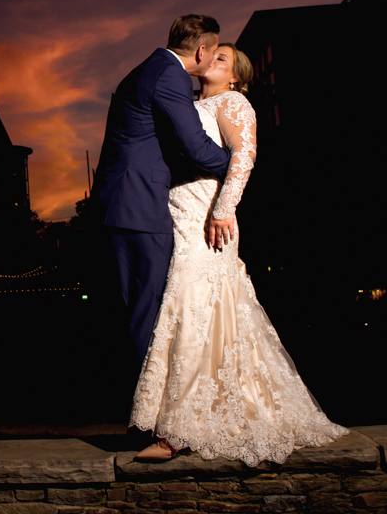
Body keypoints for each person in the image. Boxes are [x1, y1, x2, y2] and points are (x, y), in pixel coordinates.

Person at [130, 44, 348, 465]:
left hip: (209, 215)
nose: (212, 59)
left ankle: (178, 430)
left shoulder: (234, 102)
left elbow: (243, 157)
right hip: (177, 209)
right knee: (198, 308)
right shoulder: (189, 102)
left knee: (193, 305)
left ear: (236, 77)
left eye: (224, 59)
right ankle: (206, 412)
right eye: (212, 53)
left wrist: (223, 210)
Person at [92, 15, 232, 367]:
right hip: (139, 206)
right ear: (202, 50)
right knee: (147, 309)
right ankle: (146, 417)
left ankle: (143, 411)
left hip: (121, 202)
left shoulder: (144, 70)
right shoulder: (170, 75)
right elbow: (196, 148)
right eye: (214, 52)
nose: (213, 58)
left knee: (135, 308)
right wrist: (239, 162)